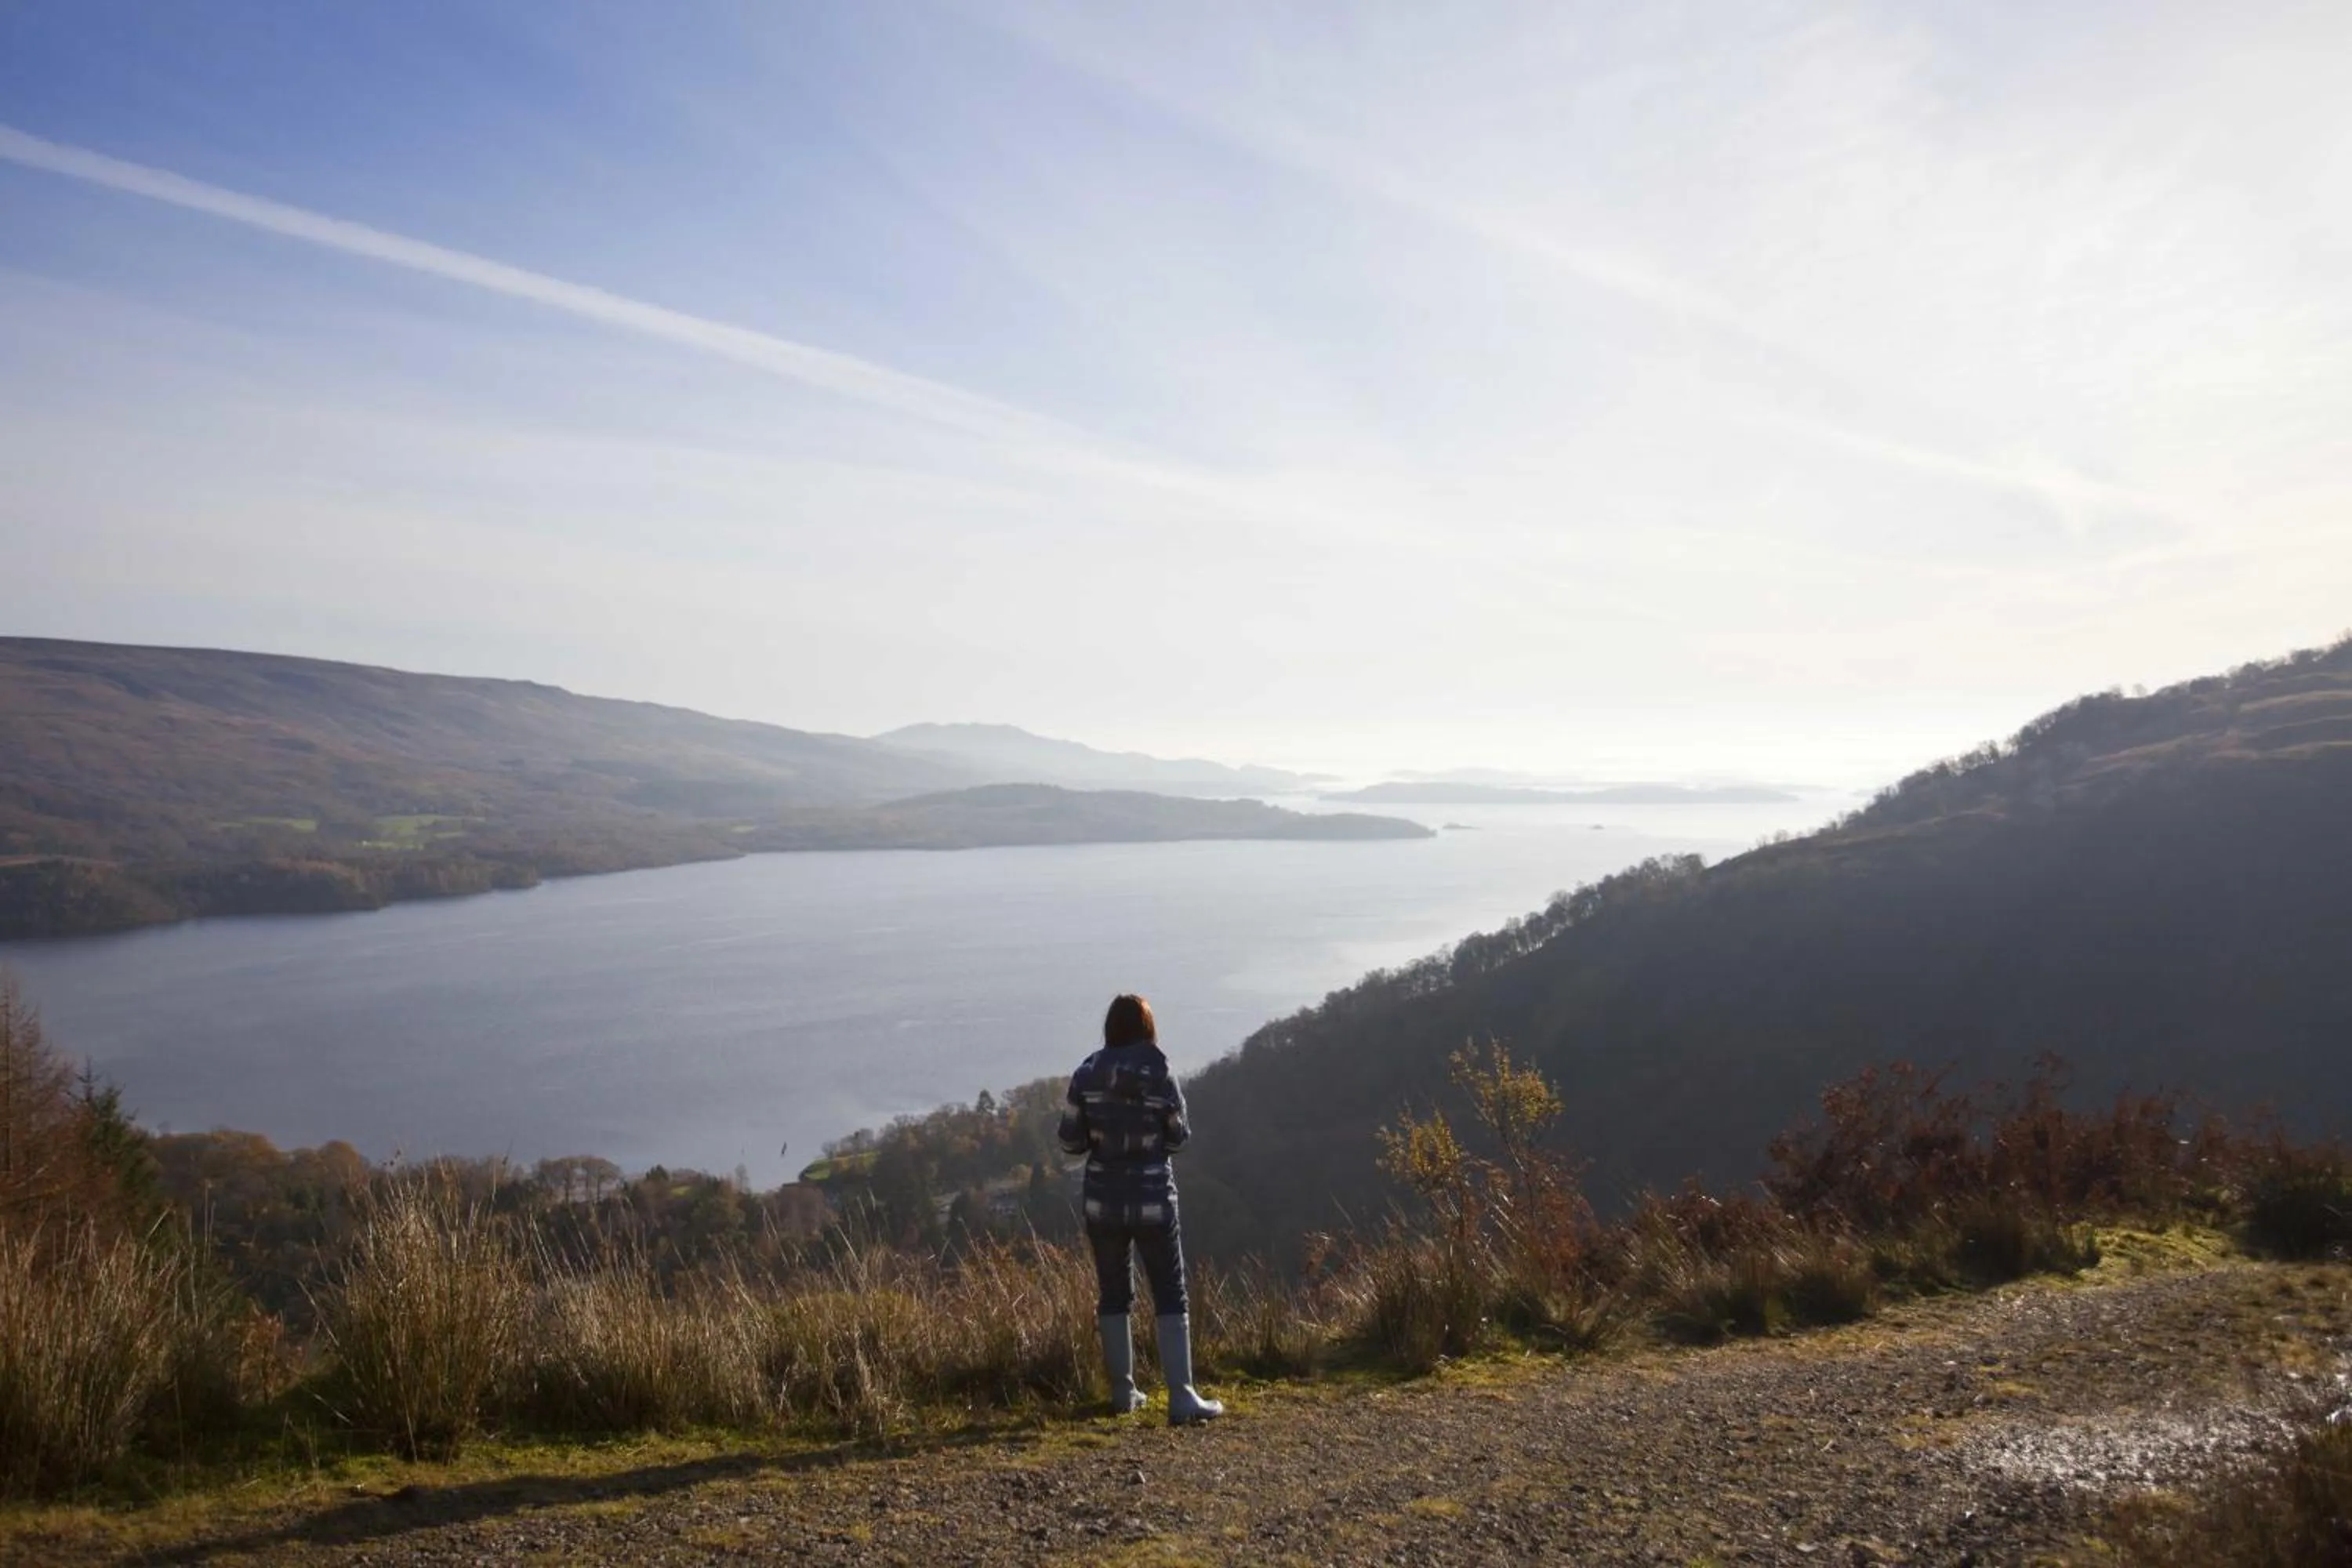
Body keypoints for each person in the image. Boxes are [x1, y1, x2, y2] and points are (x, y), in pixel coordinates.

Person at [1058, 993, 1223, 1425]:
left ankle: (1123, 1392)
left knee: (1114, 1294)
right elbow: (1178, 1138)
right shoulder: (1161, 1074)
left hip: (1103, 1201)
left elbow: (1070, 1142)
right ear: (1147, 1028)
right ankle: (1183, 1396)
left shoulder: (1086, 1074)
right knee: (1170, 1292)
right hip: (1153, 1200)